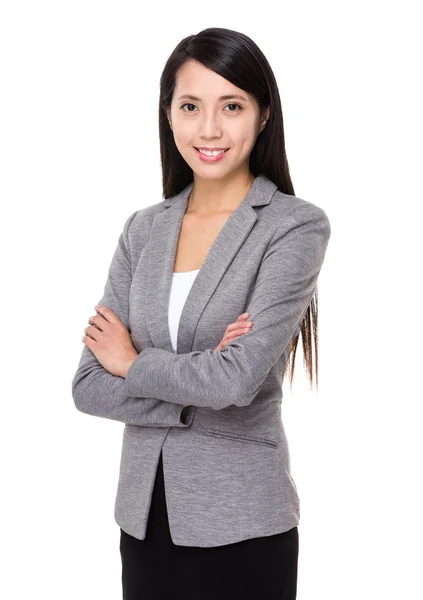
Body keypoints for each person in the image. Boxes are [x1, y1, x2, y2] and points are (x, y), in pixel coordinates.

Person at [72, 26, 331, 600]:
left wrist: (133, 361)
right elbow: (88, 385)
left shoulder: (292, 225)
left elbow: (237, 379)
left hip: (244, 522)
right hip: (143, 520)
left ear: (263, 115)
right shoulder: (143, 230)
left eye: (231, 106)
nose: (209, 129)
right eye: (191, 106)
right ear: (169, 115)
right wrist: (199, 380)